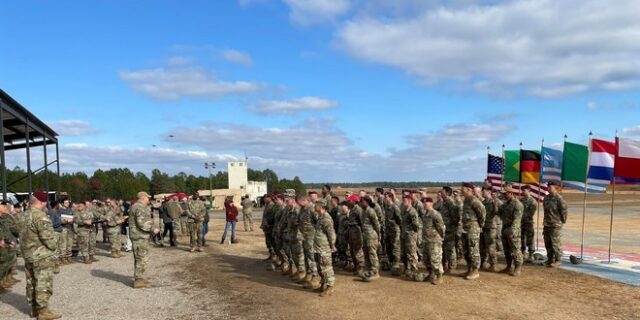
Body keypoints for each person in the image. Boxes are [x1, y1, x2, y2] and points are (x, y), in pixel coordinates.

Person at [19, 192, 62, 319]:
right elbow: (49, 241)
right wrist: (56, 239)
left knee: (31, 282)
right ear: (42, 202)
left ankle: (34, 309)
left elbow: (17, 232)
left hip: (27, 255)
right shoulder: (41, 216)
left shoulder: (22, 215)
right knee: (43, 283)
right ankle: (43, 312)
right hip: (41, 256)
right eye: (45, 202)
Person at [129, 192, 160, 288]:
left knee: (141, 257)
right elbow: (141, 223)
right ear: (142, 197)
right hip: (139, 236)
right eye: (147, 198)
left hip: (140, 236)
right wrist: (153, 229)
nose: (148, 199)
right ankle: (138, 280)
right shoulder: (139, 207)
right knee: (141, 257)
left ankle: (140, 278)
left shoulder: (137, 206)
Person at [461, 183, 486, 280]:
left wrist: (480, 225)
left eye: (462, 188)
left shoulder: (474, 200)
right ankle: (469, 269)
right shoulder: (466, 200)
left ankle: (475, 271)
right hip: (465, 228)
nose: (461, 190)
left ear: (468, 189)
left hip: (473, 228)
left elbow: (482, 212)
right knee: (466, 249)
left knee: (473, 249)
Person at [312, 199, 336, 297]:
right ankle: (323, 284)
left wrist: (332, 245)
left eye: (316, 204)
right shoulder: (320, 217)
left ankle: (330, 287)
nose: (314, 206)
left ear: (321, 206)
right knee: (320, 267)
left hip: (324, 248)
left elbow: (331, 234)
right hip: (318, 247)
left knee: (326, 267)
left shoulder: (326, 218)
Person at [420, 197, 445, 285]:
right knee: (426, 259)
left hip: (434, 240)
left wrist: (440, 238)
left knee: (435, 259)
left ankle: (439, 276)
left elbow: (441, 227)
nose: (424, 205)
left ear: (431, 204)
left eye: (425, 203)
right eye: (423, 203)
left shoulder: (435, 214)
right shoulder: (425, 214)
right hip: (426, 240)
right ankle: (431, 274)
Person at [543, 181, 568, 268]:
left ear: (555, 187)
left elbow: (564, 211)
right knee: (547, 243)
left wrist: (561, 221)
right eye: (548, 187)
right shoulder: (546, 198)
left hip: (555, 224)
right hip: (547, 223)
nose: (548, 188)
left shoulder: (559, 199)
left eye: (550, 187)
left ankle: (558, 260)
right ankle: (550, 259)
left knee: (555, 243)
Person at [296, 196, 320, 288]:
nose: (298, 204)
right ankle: (308, 275)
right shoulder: (302, 209)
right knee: (306, 257)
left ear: (304, 200)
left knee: (312, 257)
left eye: (299, 202)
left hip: (311, 237)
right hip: (304, 237)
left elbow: (318, 221)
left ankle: (315, 277)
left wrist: (315, 234)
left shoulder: (312, 208)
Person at [500, 186, 524, 276]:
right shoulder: (506, 204)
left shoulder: (517, 204)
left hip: (513, 231)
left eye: (505, 194)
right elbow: (499, 212)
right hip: (505, 229)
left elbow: (517, 220)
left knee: (515, 249)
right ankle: (509, 266)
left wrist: (512, 232)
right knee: (506, 249)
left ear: (511, 193)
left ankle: (517, 268)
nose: (504, 196)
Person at [436, 187, 460, 273]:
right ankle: (447, 265)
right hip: (445, 229)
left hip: (450, 229)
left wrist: (451, 226)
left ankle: (452, 268)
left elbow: (455, 217)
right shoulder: (444, 202)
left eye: (442, 192)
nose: (440, 193)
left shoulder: (450, 202)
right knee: (445, 248)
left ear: (447, 193)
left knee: (450, 249)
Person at [359, 196, 381, 282]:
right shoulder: (363, 211)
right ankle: (369, 270)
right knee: (366, 253)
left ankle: (375, 272)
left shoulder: (371, 211)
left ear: (367, 202)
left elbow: (377, 225)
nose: (361, 203)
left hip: (371, 236)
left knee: (372, 254)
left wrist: (378, 236)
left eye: (362, 201)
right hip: (365, 236)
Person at [0, 200, 20, 293]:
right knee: (2, 264)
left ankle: (3, 283)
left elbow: (4, 232)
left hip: (7, 242)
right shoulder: (5, 217)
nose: (6, 208)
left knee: (6, 263)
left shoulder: (5, 216)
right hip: (3, 244)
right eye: (3, 206)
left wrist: (8, 241)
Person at [480, 187, 501, 272]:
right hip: (484, 226)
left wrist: (495, 203)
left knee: (491, 246)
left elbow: (497, 212)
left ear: (488, 192)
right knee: (483, 246)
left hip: (491, 226)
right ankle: (484, 262)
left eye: (483, 192)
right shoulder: (483, 202)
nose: (482, 193)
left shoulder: (493, 202)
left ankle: (493, 264)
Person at [400, 195, 420, 281]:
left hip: (411, 235)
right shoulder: (404, 210)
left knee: (411, 253)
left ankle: (414, 270)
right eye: (403, 200)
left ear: (409, 201)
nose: (403, 202)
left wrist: (412, 233)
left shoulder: (412, 211)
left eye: (405, 200)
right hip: (404, 234)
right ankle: (407, 269)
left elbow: (416, 225)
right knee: (404, 253)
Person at [384, 192, 402, 275]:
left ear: (390, 198)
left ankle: (396, 263)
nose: (385, 198)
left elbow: (399, 219)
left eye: (386, 197)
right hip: (388, 230)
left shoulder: (395, 207)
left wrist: (398, 228)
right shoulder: (387, 207)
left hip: (394, 230)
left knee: (395, 247)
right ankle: (391, 262)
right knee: (388, 246)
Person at [520, 186, 537, 262]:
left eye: (524, 190)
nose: (523, 192)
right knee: (522, 238)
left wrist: (522, 217)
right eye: (522, 190)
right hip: (521, 222)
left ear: (529, 191)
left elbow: (531, 213)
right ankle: (523, 253)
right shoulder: (521, 200)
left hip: (528, 222)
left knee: (530, 238)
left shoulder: (532, 201)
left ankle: (531, 254)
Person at [46, 200, 62, 274]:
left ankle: (56, 264)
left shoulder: (55, 212)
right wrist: (61, 222)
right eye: (59, 204)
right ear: (56, 205)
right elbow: (51, 223)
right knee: (54, 250)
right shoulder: (51, 212)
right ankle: (54, 266)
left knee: (57, 249)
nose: (60, 205)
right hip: (54, 232)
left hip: (58, 232)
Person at [58, 199, 74, 265]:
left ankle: (69, 256)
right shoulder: (60, 211)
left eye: (68, 202)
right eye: (66, 202)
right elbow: (58, 219)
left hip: (70, 228)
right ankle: (62, 257)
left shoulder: (70, 210)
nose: (67, 204)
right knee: (63, 243)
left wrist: (73, 219)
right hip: (63, 228)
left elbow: (73, 217)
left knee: (70, 242)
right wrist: (64, 221)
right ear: (62, 203)